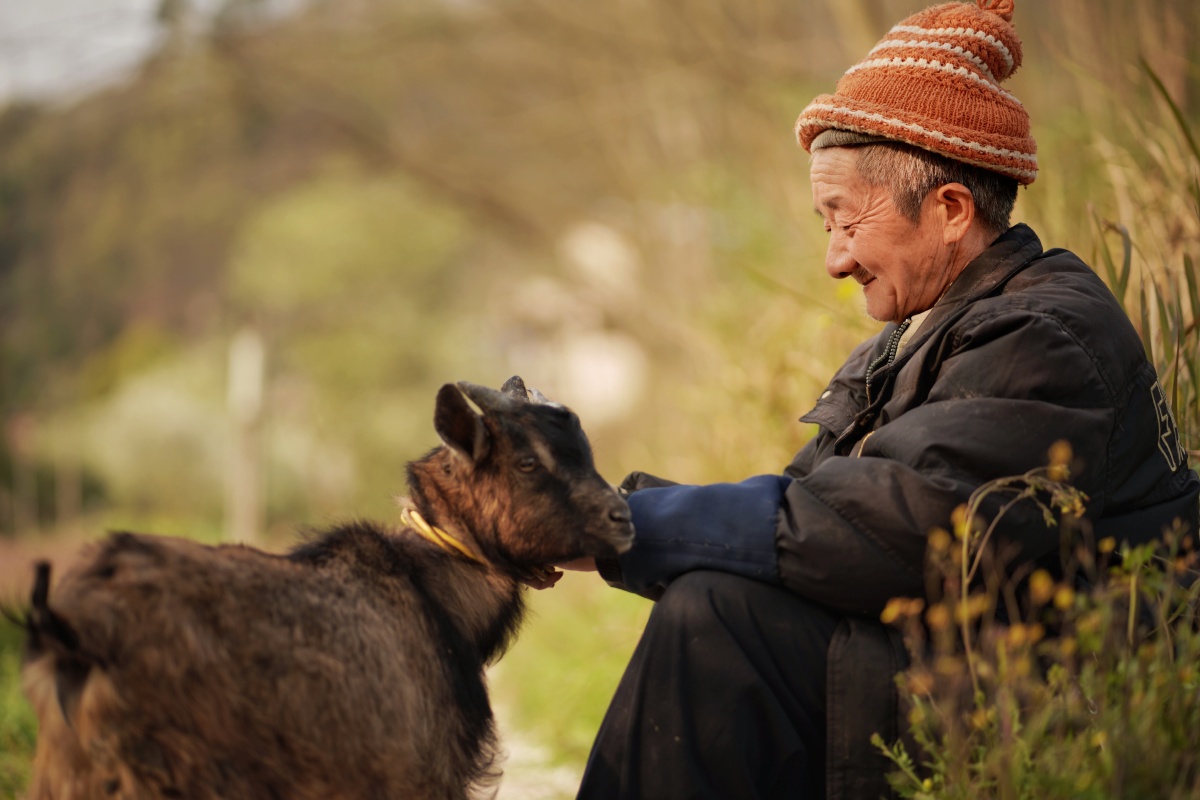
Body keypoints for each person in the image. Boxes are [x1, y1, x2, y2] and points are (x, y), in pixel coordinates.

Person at [546, 2, 1200, 798]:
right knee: (714, 602)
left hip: (1054, 689)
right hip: (957, 656)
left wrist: (618, 526)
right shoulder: (925, 330)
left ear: (951, 209)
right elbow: (807, 510)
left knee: (713, 622)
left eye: (844, 220)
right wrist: (608, 521)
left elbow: (886, 537)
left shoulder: (1045, 335)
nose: (833, 259)